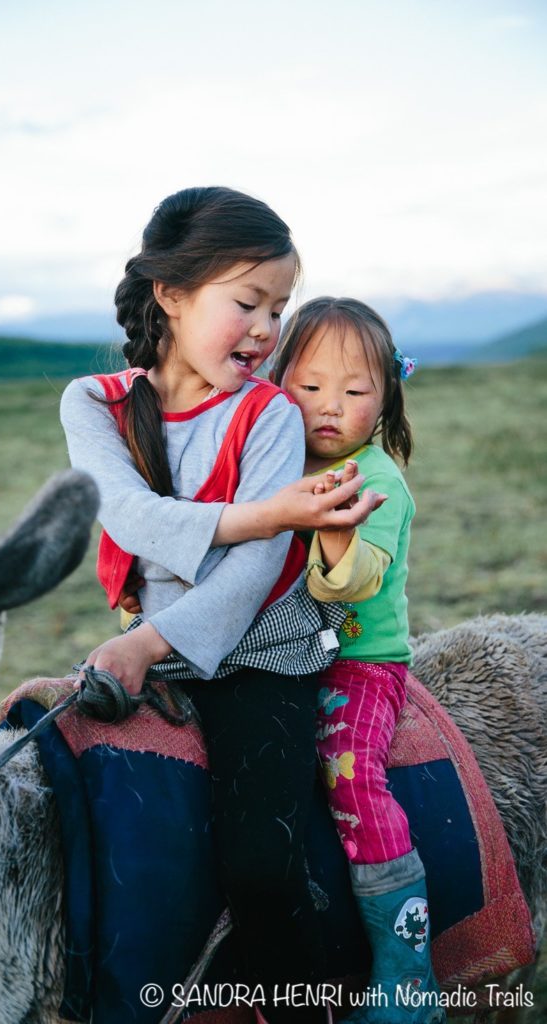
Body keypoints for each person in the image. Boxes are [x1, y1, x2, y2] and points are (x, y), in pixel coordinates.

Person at [60, 187, 381, 1023]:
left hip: (259, 649)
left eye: (279, 308)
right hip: (147, 641)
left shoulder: (268, 412)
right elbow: (130, 516)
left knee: (257, 865)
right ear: (169, 293)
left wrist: (150, 641)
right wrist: (266, 512)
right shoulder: (93, 403)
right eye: (247, 302)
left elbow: (251, 576)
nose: (267, 331)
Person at [269, 297, 444, 1024]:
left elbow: (354, 579)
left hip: (359, 661)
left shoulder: (377, 481)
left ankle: (408, 978)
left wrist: (333, 527)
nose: (328, 408)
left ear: (385, 398)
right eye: (308, 388)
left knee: (348, 772)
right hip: (282, 652)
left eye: (354, 390)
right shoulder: (273, 463)